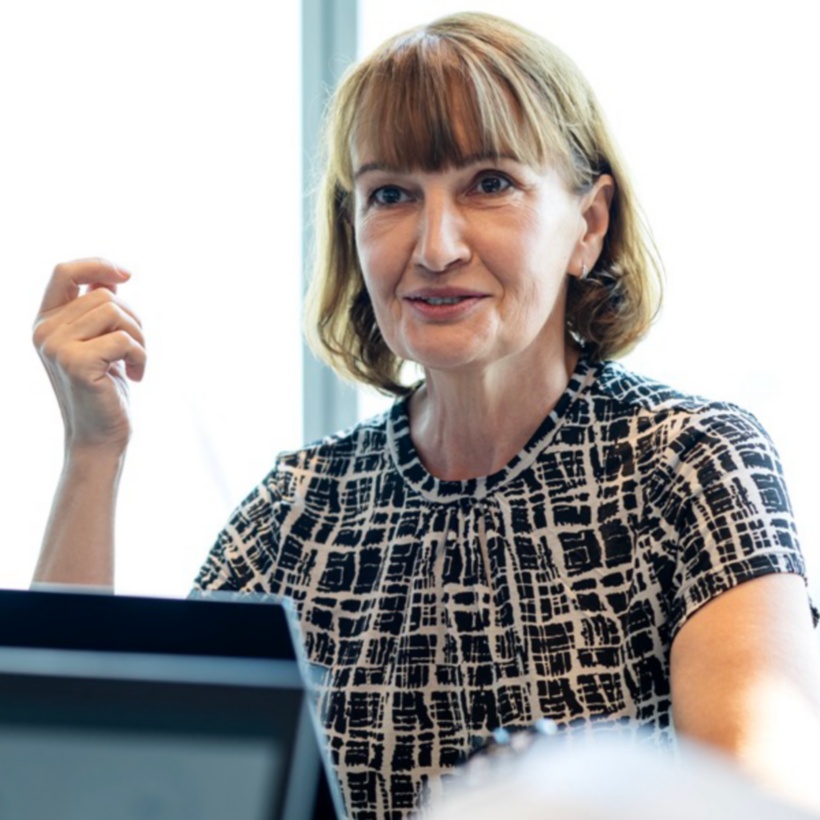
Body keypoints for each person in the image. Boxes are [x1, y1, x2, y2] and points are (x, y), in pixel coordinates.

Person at [31, 12, 820, 820]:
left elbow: (755, 801)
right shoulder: (298, 511)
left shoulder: (688, 462)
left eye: (489, 184)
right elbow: (82, 778)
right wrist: (94, 452)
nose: (436, 246)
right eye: (392, 195)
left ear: (588, 224)